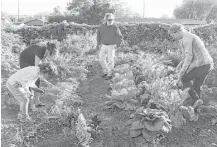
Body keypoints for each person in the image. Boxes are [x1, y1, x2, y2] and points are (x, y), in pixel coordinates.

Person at [169, 23, 214, 107]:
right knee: (196, 86)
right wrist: (180, 64)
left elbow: (189, 57)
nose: (173, 38)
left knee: (184, 79)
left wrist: (182, 72)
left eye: (173, 35)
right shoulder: (189, 36)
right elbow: (188, 55)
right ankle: (196, 107)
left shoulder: (186, 39)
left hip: (202, 65)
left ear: (177, 32)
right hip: (207, 65)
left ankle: (197, 100)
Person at [19, 42, 57, 109]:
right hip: (25, 60)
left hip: (32, 59)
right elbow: (38, 70)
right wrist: (47, 82)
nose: (51, 56)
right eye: (52, 54)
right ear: (49, 51)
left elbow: (43, 62)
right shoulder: (40, 50)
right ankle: (31, 105)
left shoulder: (46, 49)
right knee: (31, 81)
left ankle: (37, 102)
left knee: (37, 80)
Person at [96, 13, 123, 80]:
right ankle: (105, 72)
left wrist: (118, 45)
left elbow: (120, 37)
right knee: (101, 59)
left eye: (112, 19)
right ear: (106, 19)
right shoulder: (101, 27)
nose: (111, 21)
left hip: (111, 46)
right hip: (103, 45)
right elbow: (98, 35)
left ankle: (110, 74)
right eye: (109, 20)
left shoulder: (115, 27)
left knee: (110, 60)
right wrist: (98, 44)